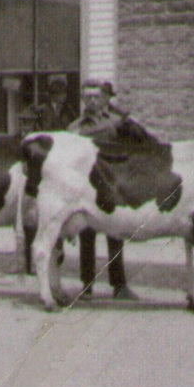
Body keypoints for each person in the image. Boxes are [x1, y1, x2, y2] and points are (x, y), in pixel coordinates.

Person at [69, 80, 133, 300]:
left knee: (115, 234)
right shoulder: (75, 128)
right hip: (86, 190)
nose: (92, 101)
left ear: (104, 99)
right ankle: (87, 286)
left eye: (96, 96)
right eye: (88, 97)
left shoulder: (116, 123)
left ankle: (119, 286)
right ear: (83, 100)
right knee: (87, 238)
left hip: (110, 187)